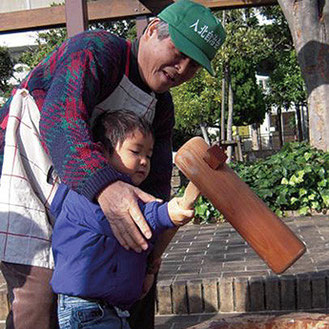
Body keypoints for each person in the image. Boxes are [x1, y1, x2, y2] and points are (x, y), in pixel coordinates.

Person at [0, 0, 226, 328]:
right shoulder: (96, 50)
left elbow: (157, 181)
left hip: (80, 188)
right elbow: (61, 118)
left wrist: (151, 257)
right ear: (151, 31)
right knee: (39, 292)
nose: (181, 69)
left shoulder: (160, 106)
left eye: (193, 65)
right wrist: (107, 188)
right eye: (178, 53)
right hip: (28, 167)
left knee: (132, 271)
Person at [51, 109, 194, 329]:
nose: (144, 161)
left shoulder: (129, 194)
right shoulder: (87, 193)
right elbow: (119, 219)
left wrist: (146, 272)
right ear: (104, 153)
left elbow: (137, 241)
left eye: (149, 155)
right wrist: (165, 214)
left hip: (111, 307)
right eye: (136, 152)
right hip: (85, 308)